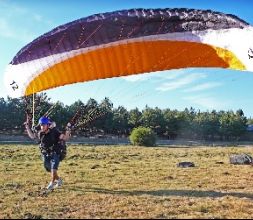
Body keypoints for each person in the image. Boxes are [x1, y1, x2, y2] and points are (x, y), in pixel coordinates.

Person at [24, 116, 72, 190]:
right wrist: (27, 127)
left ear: (48, 125)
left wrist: (68, 129)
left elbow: (65, 138)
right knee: (49, 169)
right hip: (45, 154)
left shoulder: (54, 132)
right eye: (41, 125)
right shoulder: (40, 133)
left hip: (55, 153)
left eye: (44, 124)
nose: (42, 126)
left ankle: (51, 184)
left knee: (53, 169)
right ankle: (59, 180)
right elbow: (33, 136)